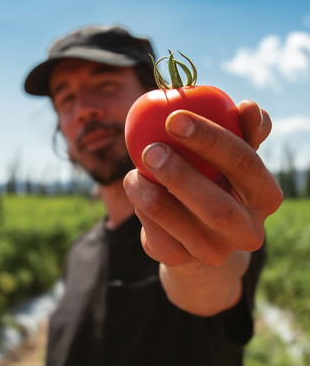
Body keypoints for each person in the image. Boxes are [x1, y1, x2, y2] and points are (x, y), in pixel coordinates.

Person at [23, 25, 283, 366]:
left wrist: (195, 262)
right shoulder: (79, 253)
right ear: (62, 129)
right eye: (66, 98)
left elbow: (212, 282)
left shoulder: (218, 225)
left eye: (105, 85)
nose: (84, 109)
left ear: (152, 93)